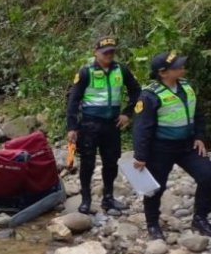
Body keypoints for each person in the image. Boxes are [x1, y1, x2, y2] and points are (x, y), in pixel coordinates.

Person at [133, 51, 211, 240]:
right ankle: (152, 224)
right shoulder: (150, 95)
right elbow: (142, 128)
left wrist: (200, 137)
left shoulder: (186, 86)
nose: (183, 68)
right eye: (178, 66)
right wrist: (141, 156)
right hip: (160, 149)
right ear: (163, 72)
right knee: (155, 188)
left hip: (188, 145)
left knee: (208, 176)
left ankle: (199, 218)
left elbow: (197, 113)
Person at [67, 36, 141, 214]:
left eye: (112, 51)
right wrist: (72, 127)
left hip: (112, 124)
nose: (109, 55)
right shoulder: (86, 72)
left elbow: (136, 91)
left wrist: (127, 113)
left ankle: (108, 198)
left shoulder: (121, 70)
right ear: (96, 53)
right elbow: (73, 100)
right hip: (89, 125)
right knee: (88, 163)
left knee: (111, 162)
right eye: (105, 52)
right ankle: (85, 199)